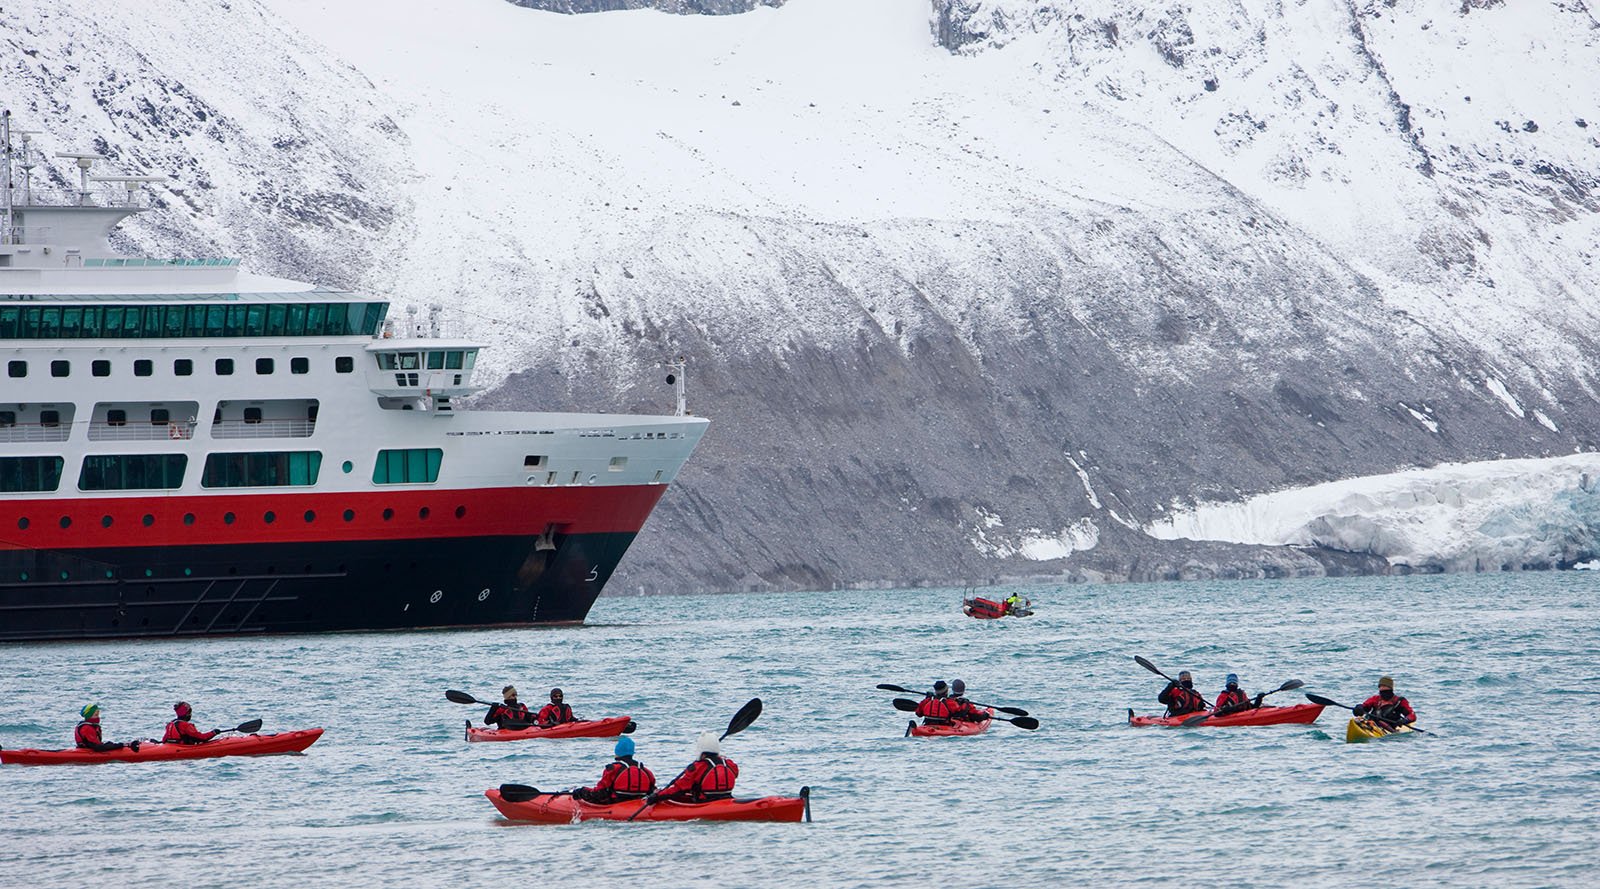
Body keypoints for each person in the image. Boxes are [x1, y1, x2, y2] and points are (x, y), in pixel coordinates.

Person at [648, 732, 738, 804]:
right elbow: (735, 774)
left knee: (683, 792)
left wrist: (657, 796)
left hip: (705, 803)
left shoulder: (697, 767)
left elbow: (678, 788)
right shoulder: (730, 764)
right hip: (727, 798)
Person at [573, 736, 656, 804]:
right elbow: (652, 791)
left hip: (616, 803)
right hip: (639, 802)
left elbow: (599, 792)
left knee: (580, 791)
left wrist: (581, 791)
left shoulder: (613, 769)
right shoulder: (646, 771)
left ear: (617, 752)